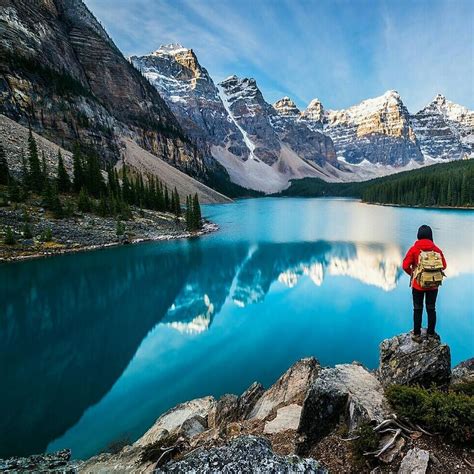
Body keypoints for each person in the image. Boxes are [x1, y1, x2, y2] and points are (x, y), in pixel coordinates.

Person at [402, 225, 447, 343]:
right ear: (430, 235)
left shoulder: (414, 249)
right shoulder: (436, 249)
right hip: (433, 285)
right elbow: (444, 265)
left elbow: (405, 265)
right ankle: (431, 333)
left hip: (418, 285)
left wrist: (413, 274)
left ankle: (417, 334)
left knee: (417, 309)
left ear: (418, 235)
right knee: (431, 308)